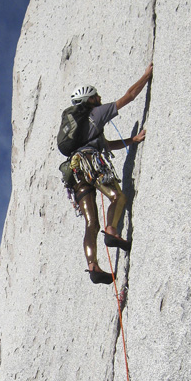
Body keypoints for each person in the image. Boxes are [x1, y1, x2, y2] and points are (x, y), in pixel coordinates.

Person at [57, 63, 152, 284]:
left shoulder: (80, 129)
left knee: (91, 222)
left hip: (75, 172)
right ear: (90, 100)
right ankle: (112, 231)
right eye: (95, 96)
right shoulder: (96, 114)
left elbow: (106, 144)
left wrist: (132, 140)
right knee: (117, 197)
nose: (99, 97)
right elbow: (129, 96)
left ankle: (93, 267)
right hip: (91, 163)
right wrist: (146, 75)